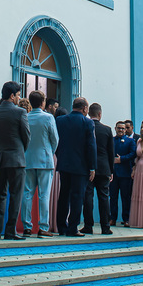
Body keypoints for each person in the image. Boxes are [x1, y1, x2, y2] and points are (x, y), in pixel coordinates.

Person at [0, 80, 30, 239]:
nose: (19, 98)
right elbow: (26, 136)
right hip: (16, 158)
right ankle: (10, 230)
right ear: (12, 96)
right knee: (15, 195)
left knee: (0, 194)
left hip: (0, 158)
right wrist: (20, 150)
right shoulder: (20, 112)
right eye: (18, 95)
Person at [54, 96, 96, 236]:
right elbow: (91, 146)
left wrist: (59, 156)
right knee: (77, 196)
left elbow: (56, 141)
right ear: (84, 108)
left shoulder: (60, 120)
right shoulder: (88, 123)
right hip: (81, 166)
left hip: (64, 163)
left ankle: (61, 226)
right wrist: (92, 166)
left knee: (63, 195)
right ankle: (72, 227)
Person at [22, 89, 58, 237]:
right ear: (43, 102)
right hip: (45, 159)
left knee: (27, 193)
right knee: (44, 195)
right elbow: (55, 139)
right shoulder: (48, 118)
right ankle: (43, 226)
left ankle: (27, 226)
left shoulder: (25, 117)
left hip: (28, 159)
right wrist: (50, 151)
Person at [82, 102, 114, 235]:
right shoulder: (107, 130)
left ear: (89, 113)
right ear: (100, 114)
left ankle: (88, 225)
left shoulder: (85, 127)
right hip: (103, 167)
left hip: (88, 167)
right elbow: (111, 152)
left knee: (88, 197)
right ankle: (105, 226)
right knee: (104, 197)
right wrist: (111, 170)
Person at [111, 120, 136, 228]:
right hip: (113, 173)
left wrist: (121, 159)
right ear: (115, 129)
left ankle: (126, 219)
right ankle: (112, 218)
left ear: (126, 130)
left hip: (125, 173)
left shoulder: (130, 141)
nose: (120, 130)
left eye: (122, 128)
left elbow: (133, 154)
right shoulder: (111, 140)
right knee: (113, 197)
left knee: (125, 197)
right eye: (119, 128)